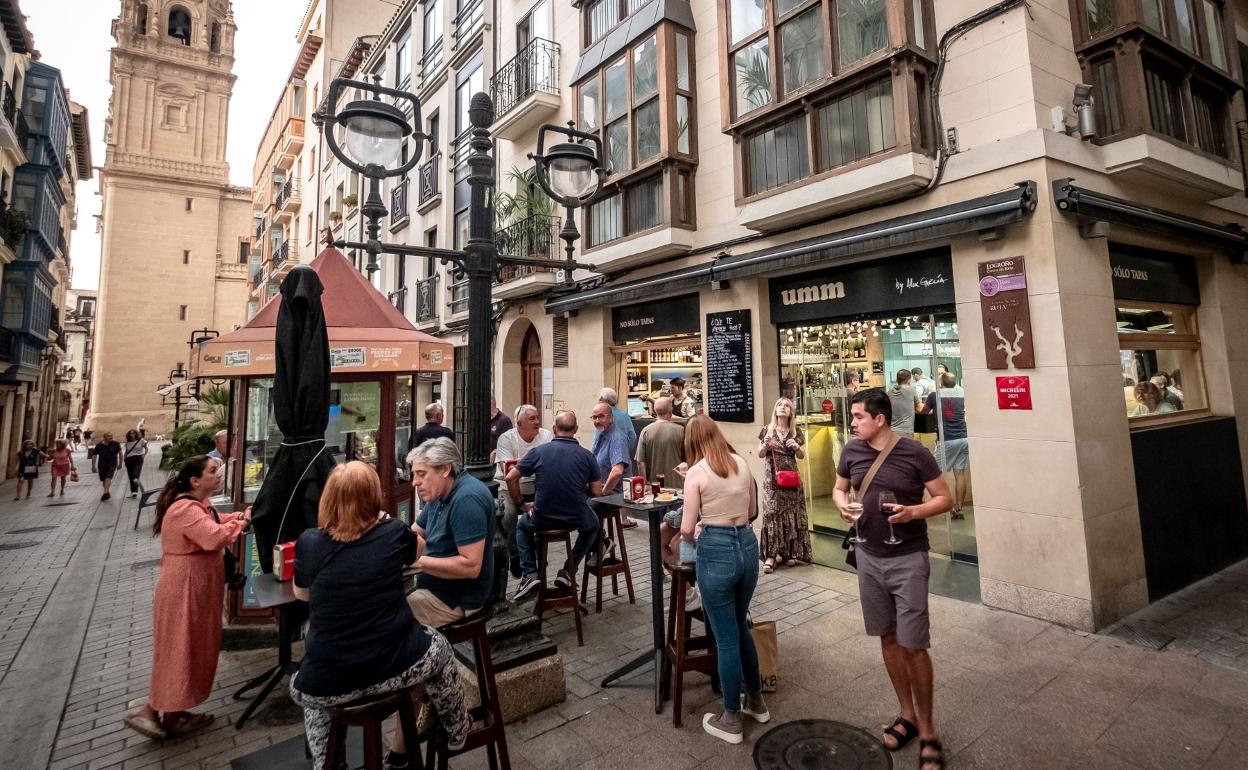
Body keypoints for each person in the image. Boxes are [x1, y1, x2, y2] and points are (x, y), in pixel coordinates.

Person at [289, 462, 469, 770]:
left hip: (327, 679)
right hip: (393, 663)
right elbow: (418, 550)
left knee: (318, 700)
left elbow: (302, 594)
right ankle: (457, 729)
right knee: (439, 648)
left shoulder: (310, 542)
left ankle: (328, 762)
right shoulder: (391, 532)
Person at [833, 389, 952, 770]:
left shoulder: (914, 452)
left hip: (908, 559)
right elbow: (839, 488)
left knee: (914, 644)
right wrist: (841, 506)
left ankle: (930, 731)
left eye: (857, 416)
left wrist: (913, 511)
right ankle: (908, 715)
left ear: (879, 419)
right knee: (887, 636)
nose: (852, 423)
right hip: (868, 557)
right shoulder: (851, 451)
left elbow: (944, 498)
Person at [122, 455, 252, 740]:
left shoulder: (198, 506)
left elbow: (216, 520)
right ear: (195, 481)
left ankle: (174, 712)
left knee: (190, 648)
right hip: (185, 589)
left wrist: (238, 516)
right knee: (180, 648)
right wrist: (240, 523)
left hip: (197, 588)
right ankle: (152, 709)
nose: (219, 475)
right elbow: (214, 537)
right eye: (213, 471)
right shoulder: (184, 510)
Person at [679, 415, 769, 744]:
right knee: (740, 625)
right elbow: (753, 509)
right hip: (746, 544)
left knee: (726, 638)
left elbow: (687, 529)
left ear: (691, 442)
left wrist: (696, 532)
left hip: (716, 550)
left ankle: (731, 718)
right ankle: (756, 701)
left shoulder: (696, 473)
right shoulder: (741, 463)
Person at [508, 411, 602, 600]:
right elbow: (597, 492)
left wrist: (521, 504)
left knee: (521, 526)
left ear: (553, 429)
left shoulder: (539, 452)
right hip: (575, 517)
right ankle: (569, 569)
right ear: (575, 430)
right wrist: (578, 485)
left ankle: (530, 573)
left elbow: (511, 477)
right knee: (593, 527)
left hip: (543, 517)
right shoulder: (587, 456)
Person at [407, 438, 494, 627]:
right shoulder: (438, 492)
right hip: (433, 587)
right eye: (414, 474)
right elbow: (415, 533)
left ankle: (431, 655)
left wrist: (415, 562)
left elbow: (470, 566)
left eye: (421, 474)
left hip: (454, 599)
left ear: (445, 470)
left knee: (382, 618)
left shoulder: (467, 499)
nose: (415, 482)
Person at [495, 405, 552, 577]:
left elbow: (549, 466)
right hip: (509, 486)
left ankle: (538, 554)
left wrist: (522, 463)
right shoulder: (506, 438)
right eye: (532, 419)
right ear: (519, 424)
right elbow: (508, 473)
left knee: (542, 515)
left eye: (537, 417)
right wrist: (520, 503)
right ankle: (514, 553)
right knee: (509, 515)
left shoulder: (546, 436)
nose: (537, 422)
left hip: (535, 485)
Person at [757, 398, 812, 573]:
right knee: (772, 513)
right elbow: (759, 454)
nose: (782, 408)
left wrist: (797, 447)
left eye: (786, 406)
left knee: (790, 512)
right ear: (775, 410)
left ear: (790, 412)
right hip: (772, 479)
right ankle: (771, 556)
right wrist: (765, 445)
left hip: (791, 478)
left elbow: (802, 456)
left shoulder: (796, 432)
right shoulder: (767, 430)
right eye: (779, 405)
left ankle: (789, 553)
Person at [924, 373, 969, 518]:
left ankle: (945, 507)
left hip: (946, 439)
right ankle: (959, 508)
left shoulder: (934, 395)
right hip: (963, 438)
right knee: (960, 473)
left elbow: (923, 411)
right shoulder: (963, 393)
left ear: (941, 382)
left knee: (933, 472)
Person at [636, 396, 685, 489]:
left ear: (655, 412)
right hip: (677, 487)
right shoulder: (681, 431)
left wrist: (645, 484)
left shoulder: (646, 431)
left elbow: (640, 461)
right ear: (671, 412)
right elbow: (689, 459)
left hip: (654, 487)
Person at [596, 387, 637, 459]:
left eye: (600, 400)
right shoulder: (625, 416)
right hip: (623, 460)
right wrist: (625, 454)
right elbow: (633, 437)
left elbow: (596, 441)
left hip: (605, 462)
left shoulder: (601, 417)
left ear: (606, 401)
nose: (598, 402)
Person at [888, 370, 923, 440]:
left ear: (897, 379)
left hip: (891, 431)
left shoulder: (890, 391)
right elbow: (920, 408)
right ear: (909, 380)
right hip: (906, 431)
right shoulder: (910, 389)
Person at [90, 432, 123, 501]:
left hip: (112, 464)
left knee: (108, 478)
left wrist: (120, 464)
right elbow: (94, 456)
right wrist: (93, 466)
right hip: (101, 465)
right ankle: (107, 492)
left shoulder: (116, 444)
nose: (111, 437)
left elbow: (120, 454)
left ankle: (105, 493)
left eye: (111, 436)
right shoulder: (99, 446)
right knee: (104, 480)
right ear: (104, 437)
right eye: (109, 436)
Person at [123, 429, 149, 498]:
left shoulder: (141, 441)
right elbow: (126, 451)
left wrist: (143, 455)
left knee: (135, 475)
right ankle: (134, 492)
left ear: (136, 434)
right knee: (131, 477)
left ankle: (139, 489)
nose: (132, 435)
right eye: (130, 433)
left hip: (138, 459)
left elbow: (146, 449)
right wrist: (124, 459)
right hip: (129, 460)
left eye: (133, 433)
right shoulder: (128, 442)